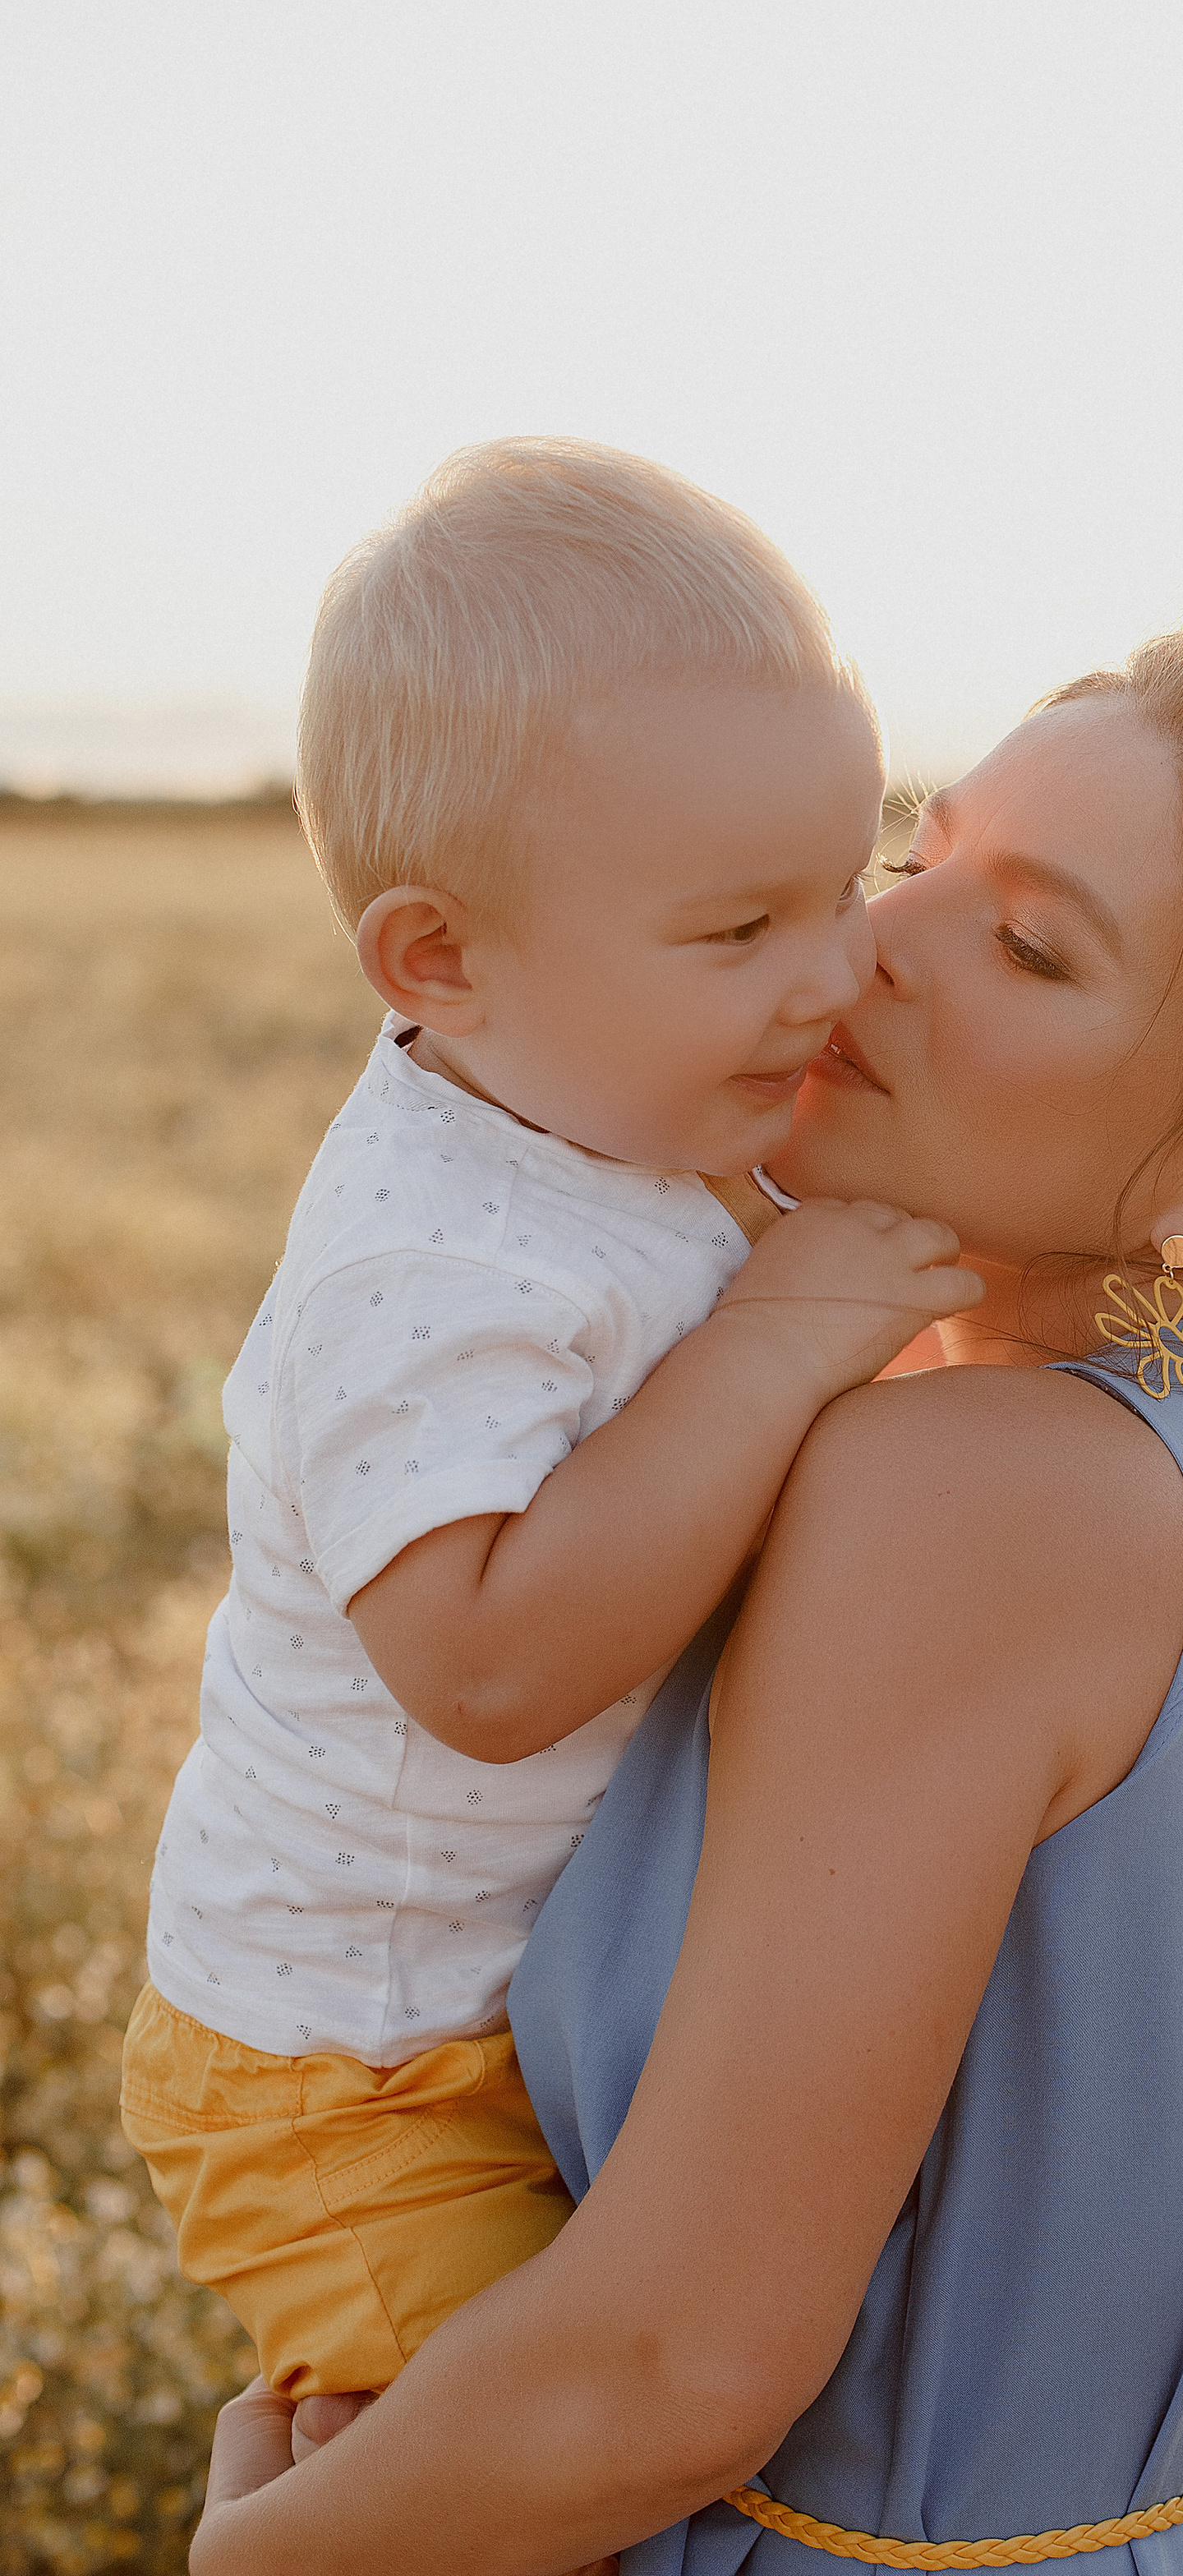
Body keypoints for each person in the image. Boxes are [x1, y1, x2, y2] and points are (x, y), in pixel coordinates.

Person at [190, 593, 1183, 2576]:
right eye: (921, 855)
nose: (869, 945)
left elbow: (678, 2369)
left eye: (1028, 944)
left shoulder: (960, 1490)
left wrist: (259, 2561)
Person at [122, 440, 982, 2426]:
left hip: (536, 2005)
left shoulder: (627, 1108)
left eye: (849, 887)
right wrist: (774, 1343)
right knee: (534, 2478)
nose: (835, 967)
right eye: (738, 928)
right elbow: (492, 1669)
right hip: (349, 2069)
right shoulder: (423, 1266)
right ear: (442, 963)